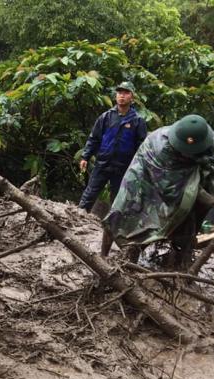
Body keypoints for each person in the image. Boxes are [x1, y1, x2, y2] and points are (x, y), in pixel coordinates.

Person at [104, 114, 214, 268]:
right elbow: (183, 189)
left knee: (187, 215)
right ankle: (107, 258)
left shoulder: (206, 141)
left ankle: (182, 259)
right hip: (145, 177)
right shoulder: (163, 149)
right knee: (125, 214)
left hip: (181, 181)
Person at [78, 82, 147, 255]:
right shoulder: (106, 117)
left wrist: (139, 167)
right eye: (119, 93)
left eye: (125, 93)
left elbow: (142, 146)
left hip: (124, 167)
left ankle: (114, 231)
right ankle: (77, 220)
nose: (121, 96)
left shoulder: (137, 120)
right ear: (116, 96)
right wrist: (85, 156)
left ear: (132, 96)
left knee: (118, 199)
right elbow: (94, 138)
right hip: (103, 162)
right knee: (90, 192)